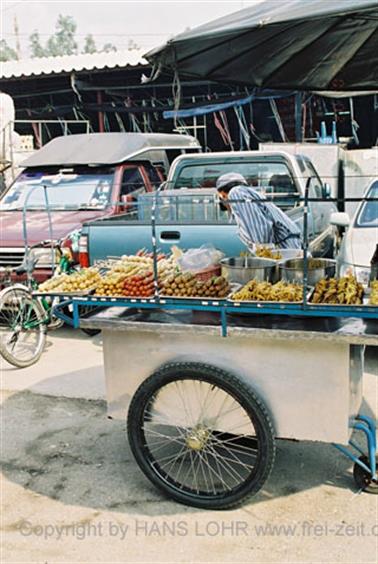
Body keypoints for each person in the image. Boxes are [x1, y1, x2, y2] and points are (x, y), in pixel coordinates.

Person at [216, 172, 302, 250]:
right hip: (288, 249)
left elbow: (260, 239)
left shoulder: (236, 193)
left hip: (287, 251)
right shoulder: (247, 195)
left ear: (222, 194)